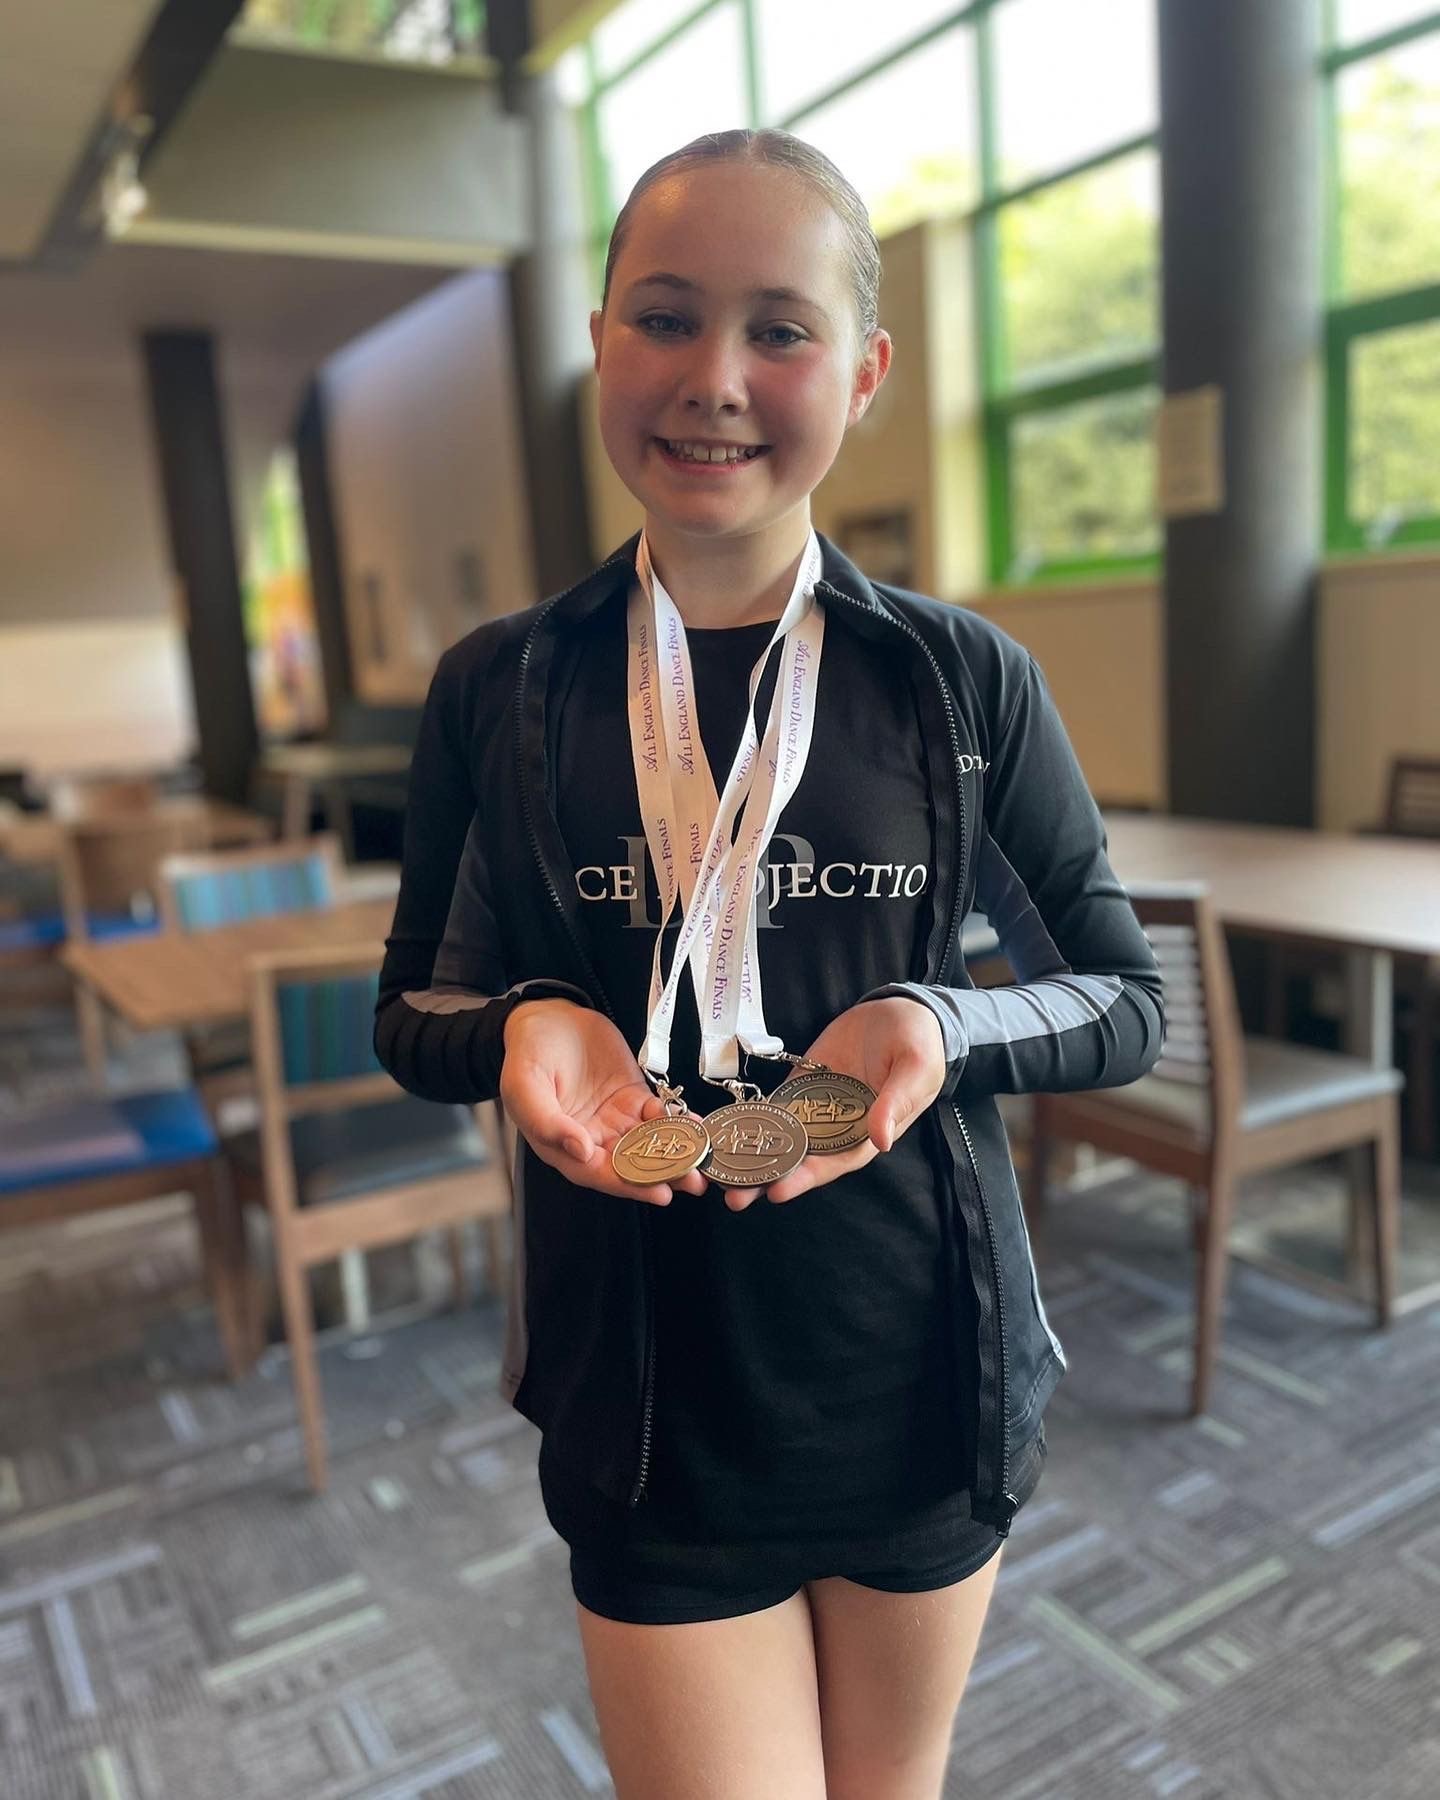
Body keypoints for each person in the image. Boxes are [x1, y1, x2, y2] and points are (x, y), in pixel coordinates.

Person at [375, 128, 1164, 1800]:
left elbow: (1119, 995)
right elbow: (415, 1001)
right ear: (599, 342)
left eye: (778, 330)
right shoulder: (503, 693)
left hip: (920, 1375)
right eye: (663, 317)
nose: (714, 379)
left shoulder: (957, 685)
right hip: (648, 1403)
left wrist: (938, 1022)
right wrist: (527, 1024)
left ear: (864, 371)